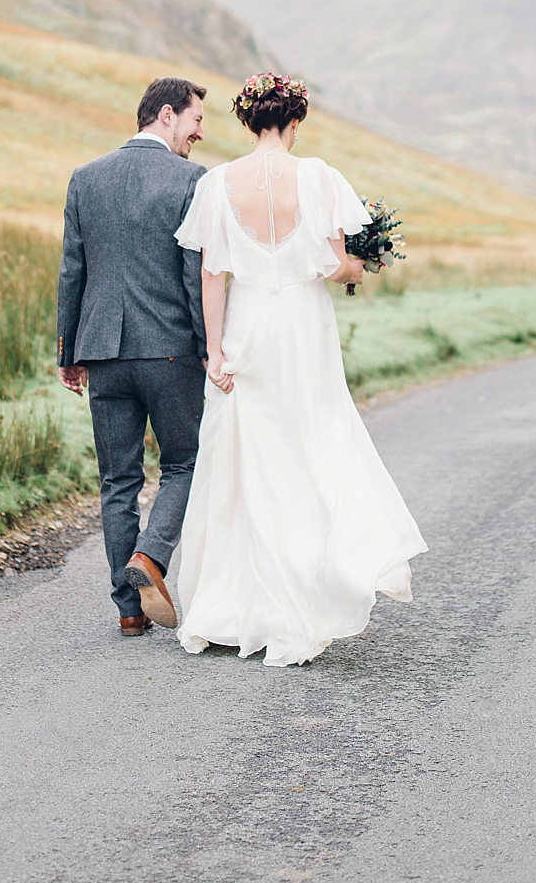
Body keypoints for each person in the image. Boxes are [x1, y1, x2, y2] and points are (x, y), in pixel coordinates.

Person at [174, 72, 427, 666]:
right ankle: (305, 597)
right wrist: (361, 268)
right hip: (302, 332)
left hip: (247, 326)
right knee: (309, 448)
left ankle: (230, 608)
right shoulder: (319, 178)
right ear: (294, 122)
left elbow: (213, 275)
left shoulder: (216, 182)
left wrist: (214, 350)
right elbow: (338, 267)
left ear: (246, 120)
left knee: (243, 459)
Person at [57, 76, 208, 637]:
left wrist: (69, 352)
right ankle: (150, 556)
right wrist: (207, 346)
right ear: (167, 114)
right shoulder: (192, 179)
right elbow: (195, 274)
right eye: (195, 121)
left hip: (101, 353)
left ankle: (129, 610)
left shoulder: (85, 177)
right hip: (169, 349)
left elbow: (73, 271)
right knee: (185, 464)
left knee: (117, 480)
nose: (198, 134)